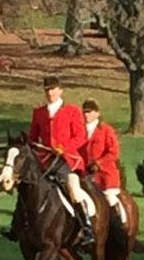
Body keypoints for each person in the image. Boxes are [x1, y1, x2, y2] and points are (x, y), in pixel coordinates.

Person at [28, 76, 96, 243]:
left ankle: (86, 227)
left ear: (60, 91)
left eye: (53, 89)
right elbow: (32, 139)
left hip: (68, 161)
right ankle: (18, 225)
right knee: (27, 186)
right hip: (45, 161)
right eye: (47, 90)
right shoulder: (39, 113)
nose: (50, 93)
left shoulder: (72, 111)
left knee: (73, 188)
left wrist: (63, 148)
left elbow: (81, 136)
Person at [81, 99, 125, 222]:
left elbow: (114, 152)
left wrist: (99, 163)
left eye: (89, 112)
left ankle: (119, 225)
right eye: (84, 112)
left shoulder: (106, 130)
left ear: (97, 113)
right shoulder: (80, 131)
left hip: (105, 176)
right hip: (85, 175)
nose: (86, 115)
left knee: (110, 199)